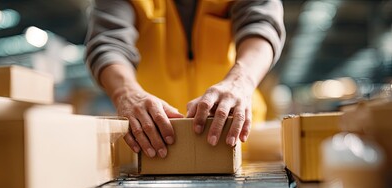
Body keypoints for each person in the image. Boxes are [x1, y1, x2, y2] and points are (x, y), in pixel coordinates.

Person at [85, 0, 285, 159]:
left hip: (236, 140)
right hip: (151, 146)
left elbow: (262, 24)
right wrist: (126, 93)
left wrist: (241, 81)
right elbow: (108, 42)